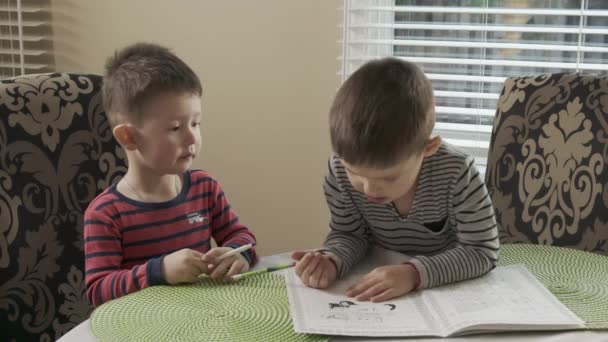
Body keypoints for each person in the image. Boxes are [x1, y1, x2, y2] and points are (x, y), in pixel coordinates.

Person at [292, 57, 499, 302]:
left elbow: (482, 251)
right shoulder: (338, 168)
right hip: (378, 289)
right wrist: (332, 259)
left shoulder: (457, 172)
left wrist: (412, 274)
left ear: (428, 148)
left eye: (389, 177)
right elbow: (350, 234)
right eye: (355, 172)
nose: (368, 188)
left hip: (448, 291)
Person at [84, 42, 257, 306]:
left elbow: (243, 237)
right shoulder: (106, 214)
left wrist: (238, 254)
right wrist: (159, 271)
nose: (192, 137)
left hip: (203, 318)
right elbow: (98, 290)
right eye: (175, 127)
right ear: (128, 136)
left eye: (196, 123)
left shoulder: (205, 188)